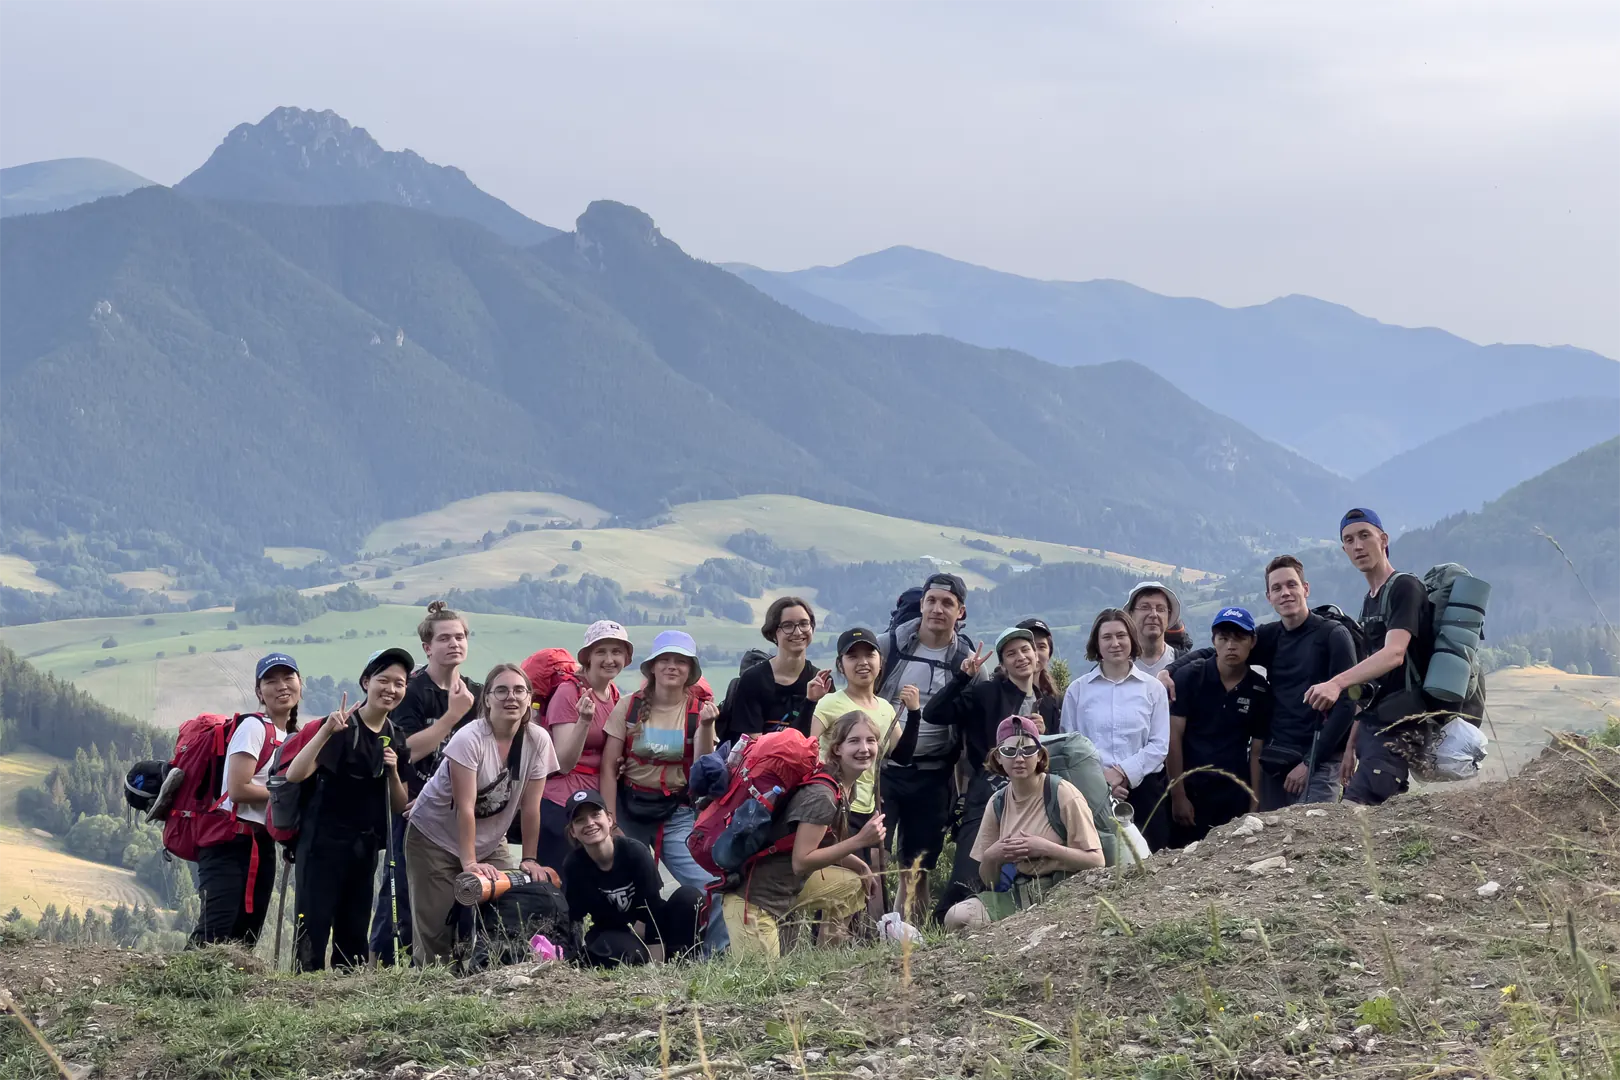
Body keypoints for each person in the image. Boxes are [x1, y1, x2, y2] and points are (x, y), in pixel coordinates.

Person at [1162, 555, 1356, 808]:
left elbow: (1347, 704)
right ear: (1269, 597)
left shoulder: (1333, 635)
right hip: (1275, 758)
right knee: (1269, 840)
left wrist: (1310, 763)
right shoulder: (1270, 636)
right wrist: (1169, 669)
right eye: (1277, 588)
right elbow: (1220, 652)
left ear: (1305, 589)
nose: (1285, 593)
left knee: (1313, 838)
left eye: (1291, 585)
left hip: (1318, 762)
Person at [403, 663, 560, 966]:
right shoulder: (470, 738)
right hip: (433, 837)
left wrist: (529, 858)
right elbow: (465, 807)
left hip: (489, 838)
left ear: (530, 699)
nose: (510, 697)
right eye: (501, 690)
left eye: (519, 690)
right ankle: (431, 991)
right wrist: (470, 864)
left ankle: (487, 977)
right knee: (438, 926)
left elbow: (530, 807)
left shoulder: (538, 740)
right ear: (486, 699)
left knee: (510, 904)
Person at [722, 710, 888, 958]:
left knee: (853, 884)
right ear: (837, 749)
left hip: (787, 889)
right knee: (761, 986)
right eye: (854, 741)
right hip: (754, 900)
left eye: (871, 740)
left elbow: (824, 844)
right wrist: (860, 841)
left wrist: (861, 866)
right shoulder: (822, 795)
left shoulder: (842, 787)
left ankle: (826, 959)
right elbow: (802, 861)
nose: (864, 748)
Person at [286, 648, 412, 972]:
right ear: (366, 681)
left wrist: (394, 771)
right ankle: (302, 998)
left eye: (399, 683)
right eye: (384, 680)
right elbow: (295, 774)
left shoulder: (396, 737)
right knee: (312, 927)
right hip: (321, 846)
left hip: (364, 848)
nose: (391, 689)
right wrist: (326, 731)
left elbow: (399, 805)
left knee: (354, 931)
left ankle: (346, 1005)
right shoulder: (343, 727)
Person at [600, 630, 727, 952]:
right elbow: (608, 766)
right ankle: (621, 957)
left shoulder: (699, 712)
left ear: (690, 670)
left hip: (677, 812)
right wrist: (610, 819)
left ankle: (712, 959)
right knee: (624, 890)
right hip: (629, 811)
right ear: (652, 667)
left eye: (680, 661)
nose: (672, 667)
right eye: (665, 660)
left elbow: (700, 769)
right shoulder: (628, 707)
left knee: (710, 885)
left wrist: (708, 728)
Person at [923, 626, 1061, 918]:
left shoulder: (1047, 702)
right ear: (1002, 664)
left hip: (1033, 795)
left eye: (1026, 650)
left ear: (1037, 656)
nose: (1021, 657)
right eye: (1011, 654)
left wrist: (1042, 736)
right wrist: (964, 676)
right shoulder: (987, 693)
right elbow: (934, 713)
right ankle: (945, 921)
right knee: (969, 869)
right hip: (988, 792)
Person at [371, 602, 481, 965]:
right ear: (427, 647)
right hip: (411, 805)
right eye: (445, 637)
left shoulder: (476, 693)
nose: (455, 643)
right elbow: (408, 752)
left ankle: (455, 963)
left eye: (460, 636)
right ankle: (380, 968)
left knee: (458, 891)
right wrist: (452, 717)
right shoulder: (412, 691)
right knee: (401, 894)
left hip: (460, 811)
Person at [1306, 508, 1437, 806]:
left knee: (1352, 817)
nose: (1358, 546)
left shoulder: (1405, 587)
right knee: (1360, 822)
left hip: (1401, 726)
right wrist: (1351, 745)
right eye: (1349, 540)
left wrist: (1336, 683)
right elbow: (1371, 683)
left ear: (1384, 539)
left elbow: (1394, 655)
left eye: (1365, 536)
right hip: (1374, 727)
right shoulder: (1371, 600)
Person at [875, 572, 982, 919]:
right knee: (874, 855)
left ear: (961, 612)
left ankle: (911, 934)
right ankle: (866, 932)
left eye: (947, 603)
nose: (938, 609)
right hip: (883, 769)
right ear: (921, 604)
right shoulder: (888, 647)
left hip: (934, 772)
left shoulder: (967, 662)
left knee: (918, 863)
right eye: (931, 601)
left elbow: (971, 725)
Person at [941, 716, 1105, 931]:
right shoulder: (998, 802)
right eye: (1010, 752)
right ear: (998, 758)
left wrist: (1045, 848)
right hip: (1020, 893)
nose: (1019, 759)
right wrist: (993, 856)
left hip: (1067, 889)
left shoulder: (1062, 793)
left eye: (1027, 751)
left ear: (1040, 756)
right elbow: (989, 882)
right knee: (956, 917)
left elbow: (1097, 861)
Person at [190, 652, 302, 947]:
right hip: (228, 842)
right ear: (259, 692)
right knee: (215, 931)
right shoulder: (253, 728)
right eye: (271, 681)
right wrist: (288, 795)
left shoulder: (291, 736)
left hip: (261, 843)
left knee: (246, 934)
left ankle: (228, 993)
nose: (282, 686)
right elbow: (238, 789)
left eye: (288, 678)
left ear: (300, 683)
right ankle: (178, 989)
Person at [1059, 609, 1171, 851]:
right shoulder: (1078, 691)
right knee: (1101, 866)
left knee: (1152, 865)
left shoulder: (1152, 689)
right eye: (1107, 637)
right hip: (1091, 794)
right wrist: (1102, 781)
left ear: (1132, 639)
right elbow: (1071, 746)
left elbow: (1159, 745)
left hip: (1145, 792)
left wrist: (1122, 772)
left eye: (1121, 636)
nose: (1115, 643)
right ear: (1096, 644)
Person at [561, 789, 702, 968]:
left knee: (690, 897)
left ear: (610, 820)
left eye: (596, 815)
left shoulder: (635, 851)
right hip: (614, 933)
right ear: (573, 831)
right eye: (580, 820)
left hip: (650, 926)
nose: (590, 823)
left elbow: (654, 907)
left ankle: (682, 962)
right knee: (629, 953)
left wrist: (657, 967)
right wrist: (567, 955)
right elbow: (575, 917)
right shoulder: (574, 865)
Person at [1166, 608, 1271, 847]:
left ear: (1252, 641)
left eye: (1239, 638)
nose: (1231, 646)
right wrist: (1177, 795)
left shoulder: (1259, 689)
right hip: (1191, 788)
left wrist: (1255, 802)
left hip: (1233, 792)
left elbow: (1257, 750)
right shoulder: (1191, 677)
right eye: (1223, 638)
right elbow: (1173, 737)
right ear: (1214, 641)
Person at [810, 627, 922, 834]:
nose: (862, 662)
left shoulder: (885, 708)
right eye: (852, 656)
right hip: (833, 805)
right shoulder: (829, 703)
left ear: (881, 662)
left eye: (870, 655)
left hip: (867, 808)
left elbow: (902, 756)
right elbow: (807, 751)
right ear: (841, 666)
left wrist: (914, 712)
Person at [540, 621, 633, 869]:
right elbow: (564, 762)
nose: (610, 659)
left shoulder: (613, 694)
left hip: (593, 803)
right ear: (587, 657)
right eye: (601, 651)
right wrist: (584, 721)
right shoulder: (568, 693)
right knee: (559, 882)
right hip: (561, 805)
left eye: (616, 652)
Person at [725, 597, 829, 737]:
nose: (798, 632)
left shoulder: (820, 682)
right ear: (773, 633)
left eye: (804, 624)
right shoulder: (753, 680)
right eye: (788, 626)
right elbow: (754, 744)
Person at [1125, 581, 1187, 677]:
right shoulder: (1113, 668)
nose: (1153, 614)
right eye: (1145, 607)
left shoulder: (1185, 666)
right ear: (1131, 614)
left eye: (1160, 609)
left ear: (1168, 616)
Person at [1016, 618, 1060, 700]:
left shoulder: (1054, 702)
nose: (1034, 654)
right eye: (1027, 647)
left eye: (1041, 647)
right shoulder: (994, 696)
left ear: (1049, 653)